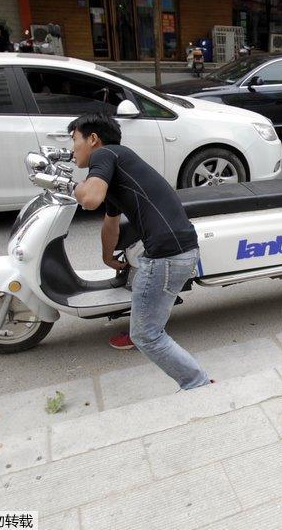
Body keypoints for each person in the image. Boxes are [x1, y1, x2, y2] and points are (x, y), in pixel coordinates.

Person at [71, 113, 210, 391]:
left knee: (146, 335)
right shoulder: (118, 165)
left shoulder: (106, 154)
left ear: (93, 139)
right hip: (175, 252)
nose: (72, 149)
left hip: (166, 256)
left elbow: (90, 199)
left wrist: (70, 186)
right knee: (148, 331)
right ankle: (197, 382)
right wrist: (107, 256)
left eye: (74, 140)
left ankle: (198, 384)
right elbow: (110, 223)